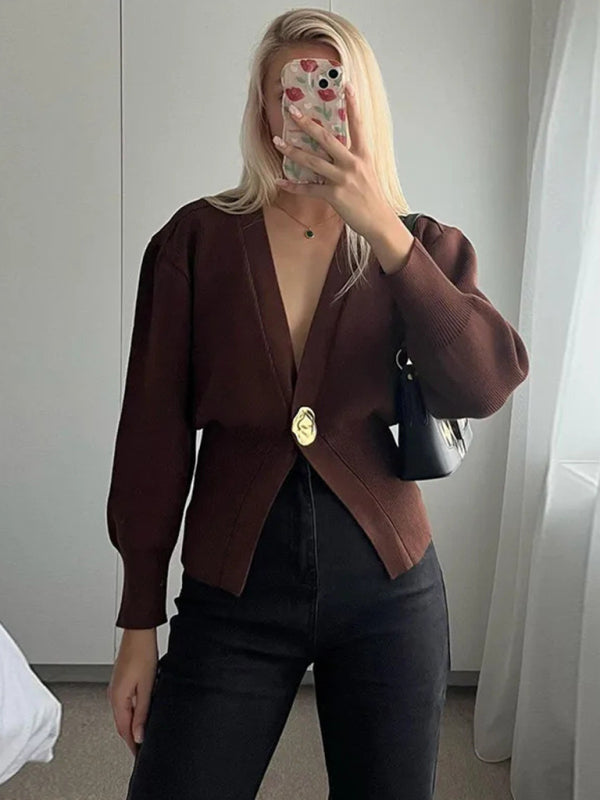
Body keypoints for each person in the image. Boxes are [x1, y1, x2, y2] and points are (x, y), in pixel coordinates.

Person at [106, 8, 530, 800]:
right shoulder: (195, 242)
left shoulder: (420, 245)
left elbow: (488, 382)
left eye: (329, 86)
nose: (307, 106)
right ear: (263, 110)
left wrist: (383, 231)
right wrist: (137, 623)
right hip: (230, 597)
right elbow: (151, 438)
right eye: (288, 90)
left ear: (362, 103)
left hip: (390, 595)